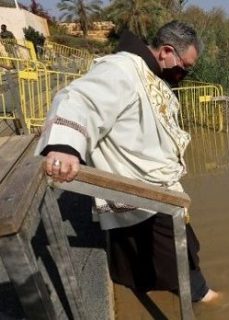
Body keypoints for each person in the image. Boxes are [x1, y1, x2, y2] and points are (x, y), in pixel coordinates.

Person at [35, 21, 219, 303]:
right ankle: (211, 300)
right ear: (166, 52)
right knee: (180, 261)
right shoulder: (121, 69)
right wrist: (64, 146)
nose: (185, 73)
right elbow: (80, 99)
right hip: (143, 191)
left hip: (158, 185)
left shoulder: (147, 73)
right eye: (185, 66)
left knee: (173, 250)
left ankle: (147, 289)